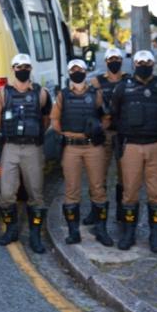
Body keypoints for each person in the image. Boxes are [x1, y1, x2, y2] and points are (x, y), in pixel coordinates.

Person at [110, 50, 157, 252]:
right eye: (140, 62)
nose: (144, 65)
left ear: (153, 64)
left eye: (148, 62)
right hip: (131, 146)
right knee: (130, 192)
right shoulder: (122, 88)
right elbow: (114, 113)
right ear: (134, 64)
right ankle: (129, 233)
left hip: (156, 145)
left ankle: (155, 236)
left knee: (156, 193)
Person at [0, 54, 51, 253]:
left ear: (31, 69)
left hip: (33, 148)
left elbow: (46, 120)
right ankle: (11, 230)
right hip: (11, 147)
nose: (23, 69)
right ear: (13, 69)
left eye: (26, 66)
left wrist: (33, 134)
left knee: (36, 194)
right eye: (19, 66)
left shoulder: (41, 93)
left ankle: (35, 236)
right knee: (7, 193)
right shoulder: (2, 93)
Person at [51, 59, 113, 246]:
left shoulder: (96, 93)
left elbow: (107, 116)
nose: (76, 72)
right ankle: (73, 232)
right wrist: (65, 134)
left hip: (93, 147)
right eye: (73, 70)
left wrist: (99, 129)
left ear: (86, 72)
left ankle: (101, 230)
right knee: (71, 190)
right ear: (69, 72)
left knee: (98, 188)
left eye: (80, 69)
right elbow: (55, 119)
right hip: (71, 148)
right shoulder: (63, 95)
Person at [88, 47, 130, 230]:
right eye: (111, 59)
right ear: (106, 62)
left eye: (117, 59)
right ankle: (95, 211)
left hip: (123, 134)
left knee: (124, 176)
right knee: (98, 175)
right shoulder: (97, 82)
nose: (114, 62)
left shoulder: (129, 80)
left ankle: (122, 211)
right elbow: (91, 106)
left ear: (121, 60)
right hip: (104, 134)